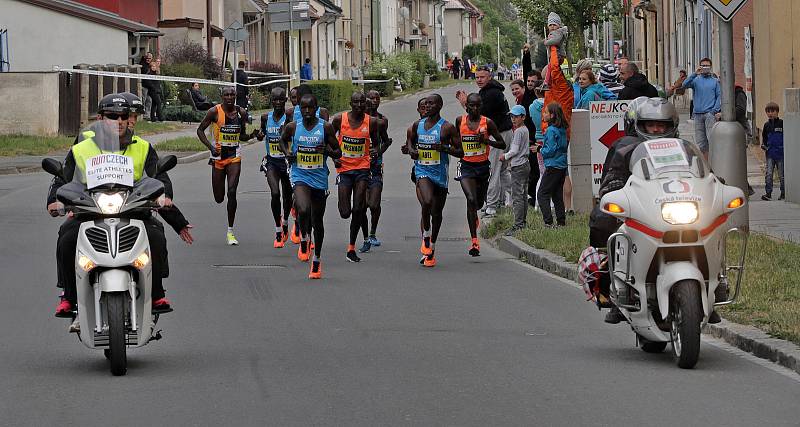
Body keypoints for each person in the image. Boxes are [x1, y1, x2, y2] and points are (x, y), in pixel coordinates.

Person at [48, 94, 175, 317]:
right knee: (67, 237)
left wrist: (164, 197)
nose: (118, 121)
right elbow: (62, 177)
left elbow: (160, 175)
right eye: (112, 116)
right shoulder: (81, 148)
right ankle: (68, 296)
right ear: (100, 118)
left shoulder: (142, 147)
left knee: (156, 234)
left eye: (123, 116)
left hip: (133, 207)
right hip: (89, 209)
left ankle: (157, 292)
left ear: (129, 119)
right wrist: (54, 201)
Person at [279, 94, 342, 279]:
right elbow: (282, 140)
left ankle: (317, 259)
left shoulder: (326, 127)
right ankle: (305, 238)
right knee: (303, 209)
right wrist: (288, 152)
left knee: (318, 221)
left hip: (319, 177)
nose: (306, 111)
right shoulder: (293, 127)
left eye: (310, 108)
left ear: (316, 108)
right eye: (303, 108)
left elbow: (338, 151)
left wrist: (328, 151)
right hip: (300, 175)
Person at [405, 94, 463, 267]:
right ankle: (426, 237)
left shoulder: (447, 128)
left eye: (431, 104)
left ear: (440, 105)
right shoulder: (417, 125)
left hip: (440, 175)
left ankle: (432, 250)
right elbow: (410, 143)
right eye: (426, 104)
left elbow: (460, 152)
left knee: (437, 214)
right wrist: (411, 151)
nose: (428, 106)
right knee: (427, 202)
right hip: (422, 171)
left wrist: (444, 148)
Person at [197, 86, 259, 245]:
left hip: (234, 157)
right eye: (226, 95)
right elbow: (200, 130)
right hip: (218, 157)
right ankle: (228, 223)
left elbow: (243, 136)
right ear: (222, 96)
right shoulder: (214, 112)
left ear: (236, 96)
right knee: (219, 198)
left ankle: (230, 231)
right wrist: (211, 148)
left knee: (232, 191)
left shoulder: (241, 113)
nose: (230, 97)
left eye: (232, 94)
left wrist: (253, 135)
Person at [330, 92, 382, 263]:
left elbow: (377, 142)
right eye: (355, 102)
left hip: (362, 169)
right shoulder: (339, 119)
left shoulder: (372, 122)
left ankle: (351, 248)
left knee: (358, 208)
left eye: (361, 102)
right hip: (344, 169)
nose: (359, 105)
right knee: (345, 212)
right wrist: (334, 156)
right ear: (350, 103)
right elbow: (330, 140)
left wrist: (376, 151)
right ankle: (350, 217)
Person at [456, 65, 513, 216]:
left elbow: (478, 116)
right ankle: (516, 196)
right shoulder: (491, 90)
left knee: (493, 171)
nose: (479, 80)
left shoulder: (492, 93)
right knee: (501, 171)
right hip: (503, 132)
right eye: (477, 77)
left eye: (482, 77)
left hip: (498, 134)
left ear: (490, 77)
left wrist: (463, 103)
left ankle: (492, 206)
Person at [455, 93, 507, 256]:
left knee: (477, 203)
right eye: (471, 105)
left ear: (481, 106)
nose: (474, 108)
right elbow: (455, 141)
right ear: (467, 106)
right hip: (466, 166)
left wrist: (486, 141)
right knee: (470, 199)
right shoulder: (460, 121)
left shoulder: (488, 123)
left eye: (478, 105)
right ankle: (475, 242)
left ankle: (475, 215)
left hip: (483, 167)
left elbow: (502, 143)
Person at [258, 87, 295, 248]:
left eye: (281, 99)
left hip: (286, 162)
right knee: (275, 193)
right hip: (272, 162)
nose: (278, 103)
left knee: (287, 197)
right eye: (275, 100)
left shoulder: (290, 118)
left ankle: (286, 221)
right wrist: (259, 134)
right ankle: (278, 229)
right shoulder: (266, 118)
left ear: (285, 100)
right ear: (271, 101)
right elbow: (262, 133)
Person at [359, 90, 392, 253]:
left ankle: (373, 232)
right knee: (362, 204)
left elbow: (386, 142)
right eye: (371, 98)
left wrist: (378, 151)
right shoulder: (357, 119)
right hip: (358, 166)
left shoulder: (382, 120)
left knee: (374, 203)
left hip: (376, 166)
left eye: (377, 98)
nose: (374, 101)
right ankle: (366, 236)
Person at [536, 102, 569, 227]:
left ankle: (548, 222)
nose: (543, 114)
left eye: (545, 112)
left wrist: (540, 150)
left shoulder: (550, 130)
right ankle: (561, 222)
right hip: (562, 165)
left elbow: (550, 150)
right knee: (557, 195)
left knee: (542, 194)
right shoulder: (562, 129)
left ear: (552, 115)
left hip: (553, 165)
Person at [681, 58, 721, 158]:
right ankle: (706, 165)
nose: (705, 68)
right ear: (700, 66)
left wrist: (714, 111)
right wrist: (695, 73)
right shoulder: (695, 80)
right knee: (701, 142)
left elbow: (719, 96)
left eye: (707, 66)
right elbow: (684, 84)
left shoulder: (715, 81)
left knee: (712, 140)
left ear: (710, 67)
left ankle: (714, 164)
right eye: (703, 65)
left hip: (709, 114)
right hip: (698, 115)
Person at [501, 105, 531, 234]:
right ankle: (522, 222)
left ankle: (518, 224)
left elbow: (514, 150)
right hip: (525, 164)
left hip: (518, 165)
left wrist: (505, 156)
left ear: (523, 117)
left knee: (517, 196)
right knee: (523, 194)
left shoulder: (518, 131)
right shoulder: (524, 129)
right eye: (512, 117)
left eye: (516, 117)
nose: (513, 119)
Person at [761, 102, 785, 201]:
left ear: (777, 112)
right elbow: (764, 139)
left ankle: (784, 193)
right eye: (768, 111)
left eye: (772, 111)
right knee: (769, 174)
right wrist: (764, 146)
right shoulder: (766, 125)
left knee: (782, 175)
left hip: (781, 154)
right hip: (770, 154)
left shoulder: (782, 123)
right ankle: (768, 193)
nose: (770, 113)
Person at [528, 85, 546, 208]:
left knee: (541, 172)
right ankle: (547, 203)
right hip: (548, 138)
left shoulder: (531, 106)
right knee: (548, 175)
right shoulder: (551, 105)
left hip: (538, 137)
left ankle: (537, 204)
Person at [541, 12, 568, 91]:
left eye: (554, 25)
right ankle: (550, 82)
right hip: (554, 56)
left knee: (550, 67)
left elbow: (556, 41)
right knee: (552, 69)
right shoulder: (552, 33)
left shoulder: (558, 32)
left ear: (558, 25)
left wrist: (546, 42)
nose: (552, 27)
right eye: (550, 25)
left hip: (558, 55)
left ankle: (547, 82)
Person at [142, 56, 164, 122]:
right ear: (150, 67)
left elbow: (158, 83)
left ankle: (153, 118)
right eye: (152, 66)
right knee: (159, 102)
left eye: (155, 66)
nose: (154, 68)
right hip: (152, 91)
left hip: (157, 91)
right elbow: (148, 83)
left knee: (154, 104)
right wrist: (154, 88)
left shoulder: (157, 74)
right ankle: (160, 117)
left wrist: (159, 89)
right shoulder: (149, 74)